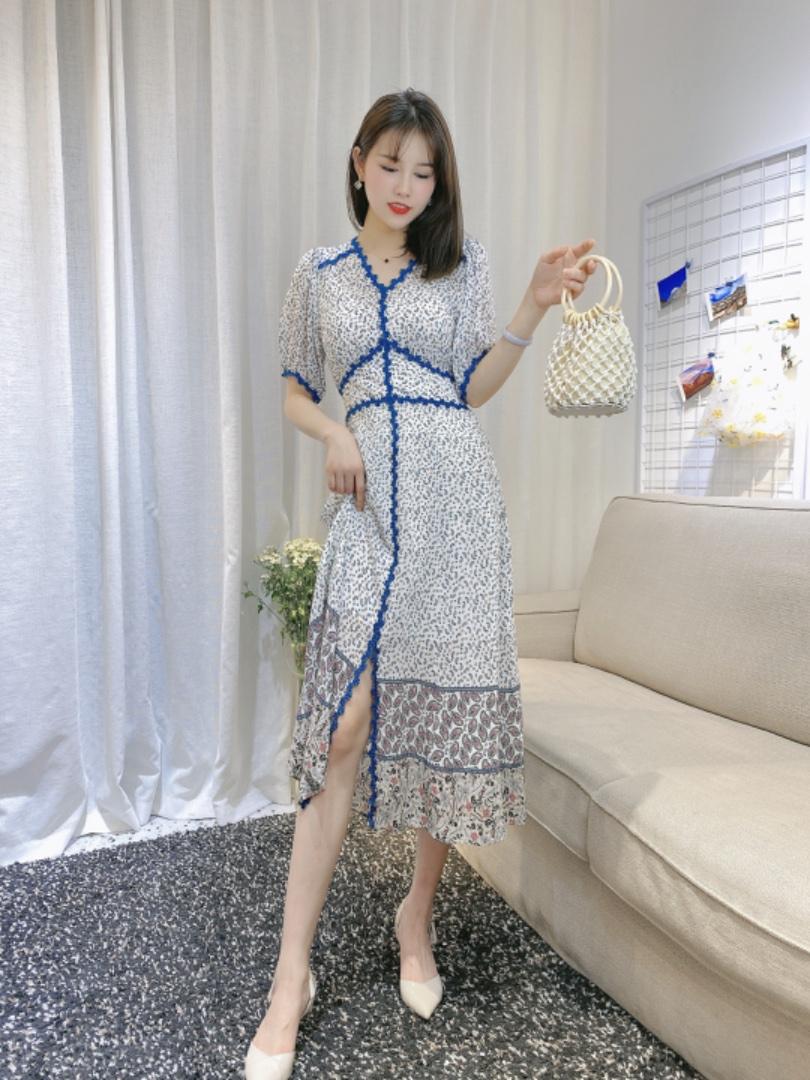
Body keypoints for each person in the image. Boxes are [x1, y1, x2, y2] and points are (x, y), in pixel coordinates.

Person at [244, 87, 598, 1079]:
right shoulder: (319, 275)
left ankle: (417, 915)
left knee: (442, 724)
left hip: (457, 507)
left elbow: (469, 384)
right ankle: (290, 975)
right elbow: (294, 389)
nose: (406, 185)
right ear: (359, 162)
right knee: (343, 727)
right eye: (391, 164)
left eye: (425, 171)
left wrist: (531, 303)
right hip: (368, 508)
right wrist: (334, 430)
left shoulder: (462, 265)